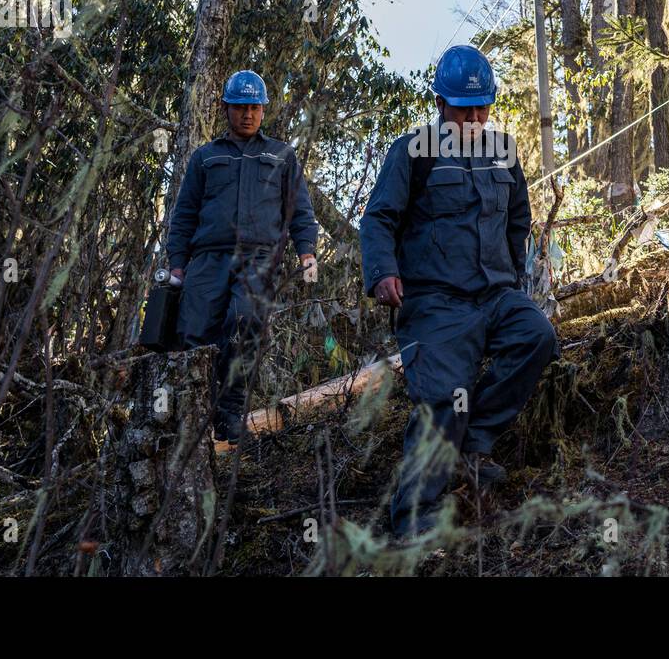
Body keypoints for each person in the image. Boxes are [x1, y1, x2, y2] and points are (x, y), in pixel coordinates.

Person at [359, 45, 558, 536]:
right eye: (462, 107)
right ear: (440, 104)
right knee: (446, 397)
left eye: (481, 106)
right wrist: (383, 273)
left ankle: (474, 440)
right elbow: (378, 219)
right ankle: (412, 515)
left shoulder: (504, 154)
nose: (473, 117)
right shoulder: (411, 153)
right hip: (434, 304)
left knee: (537, 337)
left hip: (494, 296)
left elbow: (518, 221)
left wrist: (515, 281)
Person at [166, 70, 319, 443]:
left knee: (243, 323)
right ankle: (189, 418)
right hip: (207, 258)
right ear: (226, 109)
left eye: (254, 107)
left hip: (258, 259)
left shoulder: (281, 155)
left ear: (263, 110)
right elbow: (184, 214)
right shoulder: (205, 157)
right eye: (239, 107)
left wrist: (307, 254)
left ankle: (230, 414)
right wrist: (176, 264)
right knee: (194, 334)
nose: (247, 114)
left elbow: (301, 211)